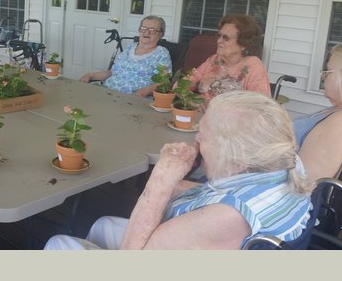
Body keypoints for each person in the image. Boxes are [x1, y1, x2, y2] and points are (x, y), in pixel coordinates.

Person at [45, 90, 314, 250]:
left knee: (59, 244)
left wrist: (161, 179)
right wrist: (177, 183)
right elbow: (215, 194)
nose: (196, 140)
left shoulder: (228, 217)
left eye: (204, 136)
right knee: (104, 225)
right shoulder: (286, 163)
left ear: (237, 157)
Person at [79, 15, 172, 96]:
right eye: (143, 28)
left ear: (161, 34)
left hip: (132, 99)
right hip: (108, 91)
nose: (146, 32)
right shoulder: (130, 47)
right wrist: (90, 75)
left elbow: (163, 83)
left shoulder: (162, 54)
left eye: (152, 30)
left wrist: (144, 92)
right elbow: (112, 72)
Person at [188, 14, 270, 103]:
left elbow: (262, 105)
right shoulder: (214, 60)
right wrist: (188, 90)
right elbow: (189, 81)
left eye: (225, 38)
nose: (219, 41)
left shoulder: (253, 66)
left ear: (243, 44)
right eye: (219, 35)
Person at [294, 44, 342, 180]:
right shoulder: (335, 111)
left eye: (326, 72)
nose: (323, 79)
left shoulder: (338, 124)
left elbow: (304, 180)